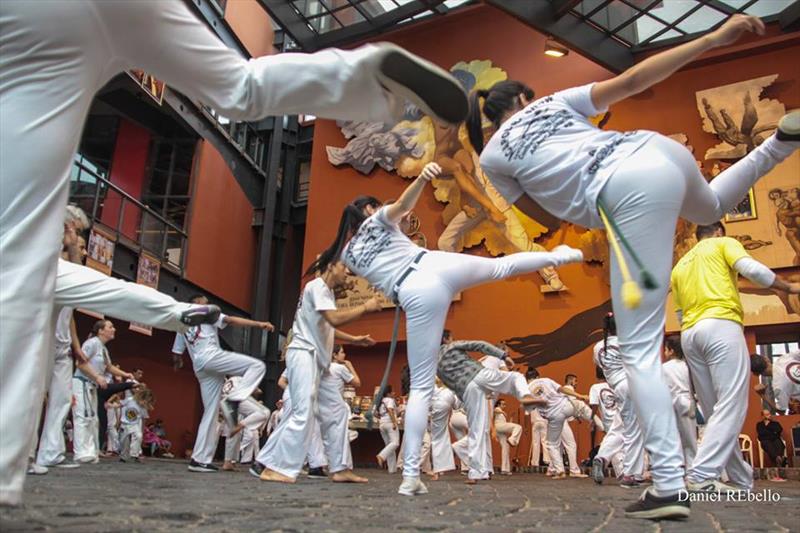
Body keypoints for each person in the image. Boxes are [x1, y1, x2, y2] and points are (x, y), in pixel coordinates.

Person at [0, 0, 468, 505]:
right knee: (240, 84)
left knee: (19, 260)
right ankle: (367, 77)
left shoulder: (324, 281)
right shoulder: (320, 285)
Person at [468, 12, 798, 519]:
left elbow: (545, 217)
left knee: (639, 349)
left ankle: (669, 485)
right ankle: (779, 144)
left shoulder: (491, 158)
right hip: (657, 147)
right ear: (523, 101)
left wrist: (566, 198)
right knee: (708, 208)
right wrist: (713, 38)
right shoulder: (554, 104)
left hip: (624, 191)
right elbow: (634, 80)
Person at [308, 162, 583, 495]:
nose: (380, 209)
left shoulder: (349, 253)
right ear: (368, 210)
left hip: (412, 292)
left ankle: (411, 477)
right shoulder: (378, 220)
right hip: (431, 263)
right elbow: (403, 206)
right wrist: (422, 178)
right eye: (376, 205)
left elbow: (346, 256)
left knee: (422, 388)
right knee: (501, 267)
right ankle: (559, 257)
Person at [671, 222, 800, 494]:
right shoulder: (722, 244)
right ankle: (702, 473)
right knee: (731, 404)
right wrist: (786, 287)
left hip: (690, 334)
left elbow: (680, 315)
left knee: (718, 409)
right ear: (719, 232)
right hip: (720, 324)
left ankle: (741, 480)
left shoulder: (680, 266)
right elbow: (750, 269)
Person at [255, 262, 378, 483]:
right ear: (331, 266)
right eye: (344, 267)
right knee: (303, 412)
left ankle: (339, 468)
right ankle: (276, 467)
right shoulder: (317, 286)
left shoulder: (325, 292)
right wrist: (365, 307)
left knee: (338, 411)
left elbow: (326, 326)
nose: (347, 272)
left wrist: (354, 340)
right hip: (304, 354)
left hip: (319, 361)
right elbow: (333, 319)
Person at [172, 295, 274, 473]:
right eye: (204, 301)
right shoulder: (206, 313)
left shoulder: (182, 322)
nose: (208, 304)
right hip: (211, 356)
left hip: (200, 368)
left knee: (210, 413)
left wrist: (178, 362)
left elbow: (176, 353)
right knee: (257, 366)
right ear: (197, 303)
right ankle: (232, 402)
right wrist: (259, 324)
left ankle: (199, 460)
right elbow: (231, 320)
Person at [437, 339, 539, 485]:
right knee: (481, 430)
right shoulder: (496, 357)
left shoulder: (443, 362)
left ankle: (483, 470)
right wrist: (506, 359)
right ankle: (525, 397)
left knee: (480, 431)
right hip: (485, 389)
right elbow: (503, 371)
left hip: (469, 390)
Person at [590, 316, 646, 488]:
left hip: (618, 387)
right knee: (634, 431)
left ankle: (602, 456)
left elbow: (599, 365)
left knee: (622, 425)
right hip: (633, 383)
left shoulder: (598, 347)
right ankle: (630, 474)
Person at [71, 320, 135, 464]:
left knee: (93, 419)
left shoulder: (103, 349)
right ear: (100, 330)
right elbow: (80, 363)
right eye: (110, 327)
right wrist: (97, 376)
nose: (114, 329)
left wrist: (125, 374)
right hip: (82, 383)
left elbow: (109, 367)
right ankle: (80, 452)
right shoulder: (91, 343)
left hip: (92, 385)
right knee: (83, 417)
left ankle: (91, 451)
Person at [315, 345, 366, 483]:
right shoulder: (340, 368)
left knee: (329, 439)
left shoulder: (319, 369)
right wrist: (350, 366)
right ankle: (342, 470)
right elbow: (357, 382)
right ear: (334, 355)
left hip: (322, 407)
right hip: (336, 407)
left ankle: (335, 468)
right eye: (342, 352)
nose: (344, 355)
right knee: (340, 439)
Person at [527, 374, 591, 481]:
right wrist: (579, 398)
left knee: (556, 445)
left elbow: (529, 408)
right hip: (561, 416)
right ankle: (573, 470)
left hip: (552, 417)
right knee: (569, 444)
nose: (576, 383)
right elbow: (571, 402)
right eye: (575, 381)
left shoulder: (527, 391)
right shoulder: (553, 384)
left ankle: (553, 469)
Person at [662, 335, 697, 468]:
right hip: (687, 401)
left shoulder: (664, 368)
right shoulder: (687, 366)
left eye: (666, 349)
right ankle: (692, 470)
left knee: (672, 438)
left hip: (670, 402)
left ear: (671, 351)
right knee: (690, 439)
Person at [589, 367, 624, 482]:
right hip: (621, 416)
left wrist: (591, 419)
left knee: (613, 442)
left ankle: (602, 458)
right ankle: (622, 472)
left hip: (608, 420)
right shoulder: (615, 384)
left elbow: (593, 405)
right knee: (621, 444)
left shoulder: (595, 388)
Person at [429, 378, 458, 480]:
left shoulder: (436, 389)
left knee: (437, 440)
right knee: (441, 439)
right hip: (444, 407)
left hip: (438, 409)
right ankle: (440, 468)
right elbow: (456, 405)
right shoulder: (449, 390)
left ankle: (437, 469)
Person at [755, 410, 787, 481]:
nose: (768, 415)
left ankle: (777, 458)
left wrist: (768, 432)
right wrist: (772, 432)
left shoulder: (775, 423)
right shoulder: (759, 424)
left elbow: (779, 430)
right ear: (762, 416)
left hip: (775, 439)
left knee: (778, 443)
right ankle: (778, 458)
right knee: (767, 443)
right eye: (766, 414)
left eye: (769, 414)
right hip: (765, 441)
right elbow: (761, 433)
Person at [493, 399, 522, 475]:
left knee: (505, 448)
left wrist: (511, 418)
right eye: (503, 404)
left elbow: (507, 425)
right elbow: (495, 410)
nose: (504, 406)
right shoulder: (497, 409)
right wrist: (502, 411)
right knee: (518, 427)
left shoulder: (502, 414)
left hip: (501, 429)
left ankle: (505, 469)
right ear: (499, 404)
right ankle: (512, 439)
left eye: (505, 404)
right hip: (499, 426)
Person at [376, 387, 401, 475]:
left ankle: (392, 469)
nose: (394, 393)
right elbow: (390, 410)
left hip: (382, 423)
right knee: (395, 443)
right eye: (392, 392)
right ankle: (381, 456)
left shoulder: (380, 401)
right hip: (390, 423)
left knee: (389, 446)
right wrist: (394, 422)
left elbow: (376, 413)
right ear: (388, 393)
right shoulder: (389, 400)